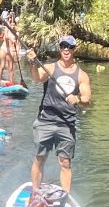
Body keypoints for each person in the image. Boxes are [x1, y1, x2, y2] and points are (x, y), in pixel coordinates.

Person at [25, 35, 91, 196]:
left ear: (74, 49)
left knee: (65, 162)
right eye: (63, 46)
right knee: (40, 158)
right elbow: (37, 78)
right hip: (45, 120)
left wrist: (78, 99)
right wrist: (33, 62)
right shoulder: (51, 68)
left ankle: (65, 197)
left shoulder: (82, 75)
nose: (66, 49)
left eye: (69, 46)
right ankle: (35, 192)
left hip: (66, 124)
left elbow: (87, 100)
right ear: (60, 49)